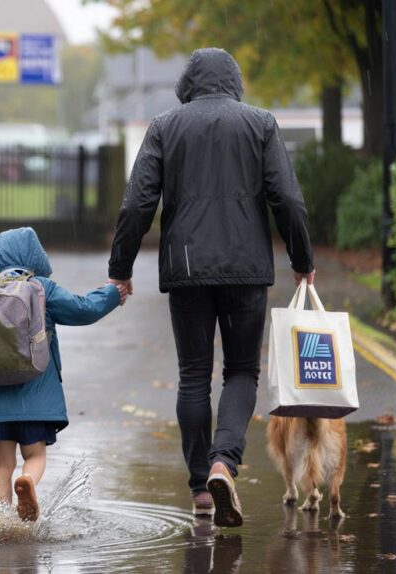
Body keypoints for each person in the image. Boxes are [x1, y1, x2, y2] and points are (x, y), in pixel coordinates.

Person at [106, 47, 315, 528]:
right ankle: (224, 462)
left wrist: (121, 266)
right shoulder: (260, 124)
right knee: (241, 370)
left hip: (187, 270)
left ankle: (202, 486)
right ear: (234, 82)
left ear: (188, 84)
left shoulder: (165, 126)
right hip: (245, 270)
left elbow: (137, 203)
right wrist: (302, 259)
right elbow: (287, 198)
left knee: (194, 375)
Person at [0, 227, 124, 521]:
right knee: (34, 455)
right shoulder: (42, 289)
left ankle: (0, 521)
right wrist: (112, 293)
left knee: (1, 466)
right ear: (36, 255)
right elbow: (83, 309)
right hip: (36, 401)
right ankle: (28, 482)